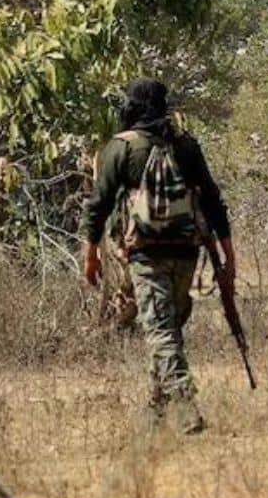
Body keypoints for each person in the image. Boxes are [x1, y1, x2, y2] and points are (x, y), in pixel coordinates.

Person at [83, 78, 235, 434]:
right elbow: (212, 200)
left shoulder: (121, 147)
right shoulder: (185, 145)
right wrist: (228, 254)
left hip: (145, 253)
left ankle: (186, 406)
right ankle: (155, 411)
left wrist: (91, 254)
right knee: (167, 328)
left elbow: (98, 205)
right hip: (186, 251)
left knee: (161, 329)